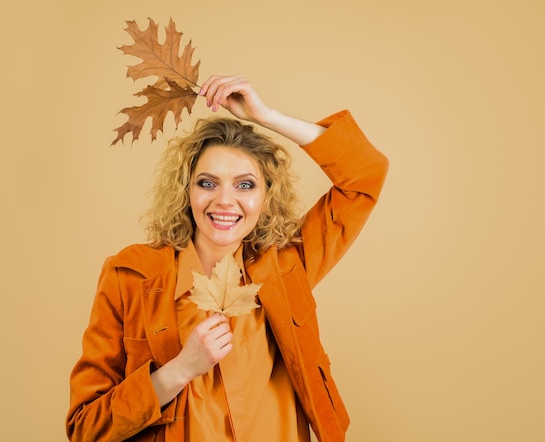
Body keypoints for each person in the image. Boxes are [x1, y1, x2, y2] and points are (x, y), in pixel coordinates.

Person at [66, 75, 389, 442]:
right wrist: (178, 371)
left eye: (245, 184)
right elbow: (85, 429)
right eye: (207, 183)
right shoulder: (130, 277)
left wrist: (265, 117)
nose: (224, 200)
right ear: (186, 191)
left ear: (267, 195)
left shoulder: (286, 265)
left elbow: (365, 174)